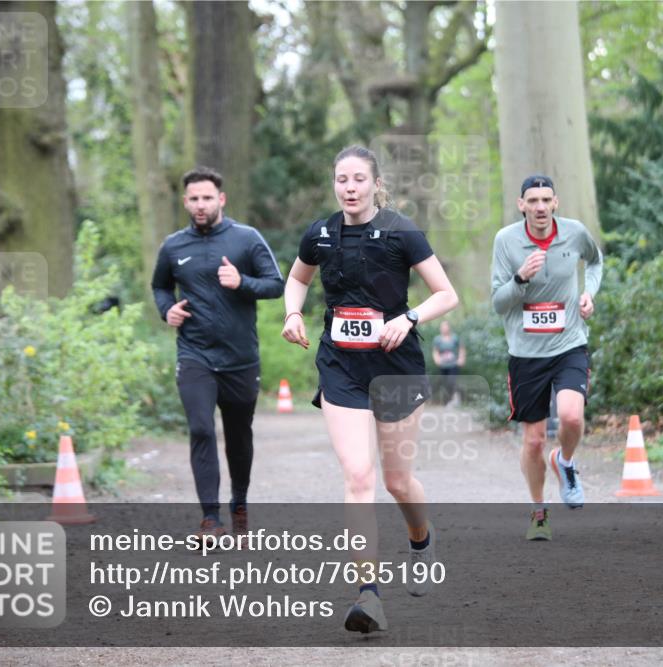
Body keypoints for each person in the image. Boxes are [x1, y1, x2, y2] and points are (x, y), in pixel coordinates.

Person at [281, 145, 458, 633]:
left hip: (395, 365)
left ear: (375, 184)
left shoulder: (403, 231)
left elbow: (447, 293)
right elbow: (296, 280)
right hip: (341, 366)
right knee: (358, 476)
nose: (349, 187)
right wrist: (292, 312)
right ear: (334, 184)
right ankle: (369, 595)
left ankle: (421, 538)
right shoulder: (319, 234)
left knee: (397, 481)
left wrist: (410, 317)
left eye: (358, 179)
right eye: (341, 179)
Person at [152, 166, 284, 544]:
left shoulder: (246, 239)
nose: (200, 205)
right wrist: (168, 310)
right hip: (194, 354)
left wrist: (242, 282)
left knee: (238, 436)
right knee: (200, 428)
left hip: (241, 359)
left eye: (207, 198)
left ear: (221, 199)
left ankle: (238, 502)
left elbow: (275, 284)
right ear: (184, 201)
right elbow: (160, 286)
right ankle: (210, 518)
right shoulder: (173, 246)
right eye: (193, 199)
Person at [490, 174, 603, 541]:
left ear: (556, 203)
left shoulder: (574, 233)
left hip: (569, 343)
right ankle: (539, 512)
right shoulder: (506, 242)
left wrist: (589, 293)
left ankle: (565, 462)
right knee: (534, 440)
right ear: (521, 204)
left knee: (571, 416)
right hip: (525, 354)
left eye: (546, 200)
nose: (540, 207)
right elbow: (498, 303)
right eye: (532, 201)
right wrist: (520, 279)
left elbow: (596, 261)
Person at [431, 320, 466, 405]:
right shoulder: (437, 339)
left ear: (449, 328)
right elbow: (435, 351)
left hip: (453, 364)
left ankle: (456, 398)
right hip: (443, 365)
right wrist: (437, 359)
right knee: (445, 382)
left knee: (452, 381)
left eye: (446, 326)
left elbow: (461, 348)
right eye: (442, 327)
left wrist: (461, 358)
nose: (444, 328)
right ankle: (448, 400)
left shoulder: (455, 337)